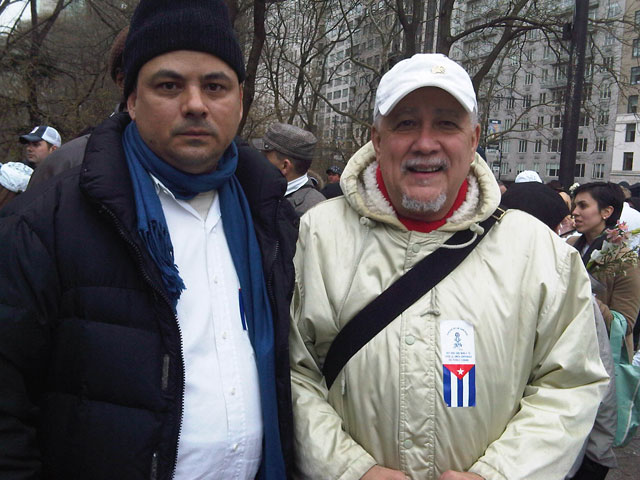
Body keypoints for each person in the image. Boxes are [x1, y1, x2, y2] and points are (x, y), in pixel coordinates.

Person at [0, 0, 298, 478]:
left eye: (215, 86)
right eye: (169, 85)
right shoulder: (47, 222)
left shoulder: (272, 216)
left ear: (240, 101)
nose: (196, 103)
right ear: (132, 99)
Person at [289, 53, 608, 480]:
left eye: (446, 123)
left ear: (473, 138)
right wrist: (349, 470)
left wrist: (499, 475)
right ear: (377, 140)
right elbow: (293, 372)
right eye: (404, 123)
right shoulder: (315, 236)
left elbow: (568, 384)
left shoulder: (541, 253)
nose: (425, 143)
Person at [27, 26, 129, 189]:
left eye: (36, 144)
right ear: (122, 81)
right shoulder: (63, 166)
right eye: (168, 85)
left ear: (53, 148)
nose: (29, 149)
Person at [569, 182, 640, 363]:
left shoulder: (624, 260)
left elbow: (624, 324)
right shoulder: (569, 245)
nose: (575, 212)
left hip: (599, 359)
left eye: (583, 206)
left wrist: (585, 295)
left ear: (606, 212)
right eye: (574, 205)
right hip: (567, 348)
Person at [261, 122, 326, 216]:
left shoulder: (314, 212)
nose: (259, 160)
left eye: (265, 156)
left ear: (285, 166)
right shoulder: (264, 192)